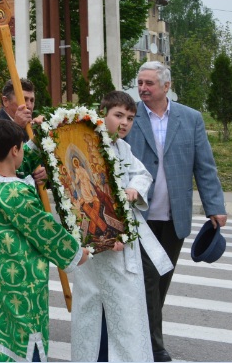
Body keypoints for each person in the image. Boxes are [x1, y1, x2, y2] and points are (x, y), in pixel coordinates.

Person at [125, 61, 227, 362]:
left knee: (161, 281)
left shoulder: (190, 118)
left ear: (166, 86)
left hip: (173, 216)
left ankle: (141, 334)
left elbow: (204, 166)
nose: (143, 88)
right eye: (140, 82)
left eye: (149, 84)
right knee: (148, 281)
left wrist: (215, 207)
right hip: (139, 217)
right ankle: (154, 347)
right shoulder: (130, 116)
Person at [70, 90, 173, 362]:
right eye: (118, 115)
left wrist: (134, 190)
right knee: (92, 304)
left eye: (130, 117)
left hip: (122, 243)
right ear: (102, 115)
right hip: (95, 238)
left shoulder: (123, 148)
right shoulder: (87, 143)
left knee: (126, 308)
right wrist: (105, 230)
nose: (125, 122)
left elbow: (142, 174)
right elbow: (78, 191)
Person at [0, 118, 88, 362]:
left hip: (1, 271)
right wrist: (76, 253)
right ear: (14, 149)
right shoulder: (15, 193)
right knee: (26, 328)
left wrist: (38, 137)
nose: (22, 150)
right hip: (23, 275)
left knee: (1, 324)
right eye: (20, 146)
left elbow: (21, 156)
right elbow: (43, 229)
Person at [0, 78, 40, 237]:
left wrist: (45, 173)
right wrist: (16, 127)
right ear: (5, 101)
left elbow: (40, 160)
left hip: (28, 210)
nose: (29, 105)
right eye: (24, 99)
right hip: (0, 213)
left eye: (32, 100)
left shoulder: (33, 127)